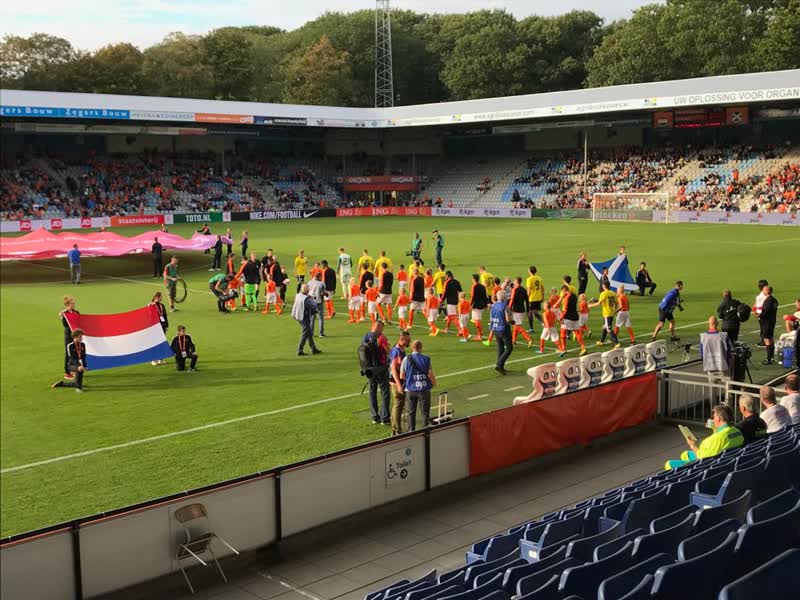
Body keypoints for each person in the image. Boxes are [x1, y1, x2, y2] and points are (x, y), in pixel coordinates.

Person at [664, 405, 743, 470]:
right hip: (725, 461)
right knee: (685, 454)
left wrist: (692, 445)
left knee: (669, 464)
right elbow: (723, 438)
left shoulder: (713, 440)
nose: (713, 419)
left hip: (708, 466)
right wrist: (715, 429)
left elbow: (701, 457)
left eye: (714, 417)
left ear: (718, 419)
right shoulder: (737, 432)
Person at [400, 339, 436, 430]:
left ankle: (411, 430)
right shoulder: (426, 358)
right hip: (424, 389)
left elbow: (401, 376)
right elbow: (430, 374)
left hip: (410, 389)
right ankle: (425, 430)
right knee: (425, 412)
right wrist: (433, 382)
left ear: (412, 348)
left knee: (411, 412)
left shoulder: (406, 359)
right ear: (421, 348)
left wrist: (411, 378)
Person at [364, 320, 391, 424]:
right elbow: (388, 351)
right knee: (385, 393)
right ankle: (385, 417)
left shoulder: (366, 337)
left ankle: (375, 416)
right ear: (380, 327)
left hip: (369, 370)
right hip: (381, 368)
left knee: (372, 392)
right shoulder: (381, 337)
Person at [389, 331, 411, 435]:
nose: (409, 342)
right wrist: (398, 385)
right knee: (398, 405)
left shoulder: (399, 349)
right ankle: (397, 429)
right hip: (397, 382)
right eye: (408, 340)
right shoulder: (397, 351)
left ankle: (395, 428)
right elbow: (393, 369)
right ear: (402, 339)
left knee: (397, 404)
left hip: (396, 381)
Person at [292, 283, 321, 356]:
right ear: (308, 291)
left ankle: (313, 348)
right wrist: (313, 300)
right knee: (305, 333)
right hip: (304, 317)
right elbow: (314, 306)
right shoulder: (307, 299)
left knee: (308, 332)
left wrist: (293, 314)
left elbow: (295, 305)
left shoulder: (298, 295)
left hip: (298, 316)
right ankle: (300, 350)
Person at [590, 282, 621, 348]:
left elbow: (599, 303)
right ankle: (602, 341)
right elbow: (617, 304)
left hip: (607, 313)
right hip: (611, 313)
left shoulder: (603, 293)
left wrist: (590, 306)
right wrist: (614, 310)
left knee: (609, 329)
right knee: (604, 327)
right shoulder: (613, 293)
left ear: (604, 286)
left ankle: (617, 343)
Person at [490, 290, 513, 374]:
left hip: (496, 329)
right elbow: (507, 319)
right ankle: (499, 364)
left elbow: (491, 318)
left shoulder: (493, 306)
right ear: (504, 297)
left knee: (500, 348)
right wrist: (511, 321)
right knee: (509, 348)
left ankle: (501, 367)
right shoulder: (505, 306)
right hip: (504, 329)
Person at [560, 284, 586, 356]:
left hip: (567, 318)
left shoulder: (566, 298)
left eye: (562, 292)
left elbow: (565, 310)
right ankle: (583, 348)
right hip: (575, 316)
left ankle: (563, 348)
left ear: (564, 290)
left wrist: (561, 318)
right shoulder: (574, 296)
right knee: (577, 333)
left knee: (563, 332)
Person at [59, 296, 80, 380]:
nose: (74, 304)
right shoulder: (65, 313)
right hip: (69, 335)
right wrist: (62, 317)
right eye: (72, 303)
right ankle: (67, 373)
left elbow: (80, 322)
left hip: (76, 335)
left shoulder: (76, 312)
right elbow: (65, 325)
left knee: (76, 352)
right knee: (68, 353)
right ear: (67, 304)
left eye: (73, 303)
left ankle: (74, 370)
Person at [510, 277, 533, 347]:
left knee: (517, 326)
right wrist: (528, 310)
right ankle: (513, 341)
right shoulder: (524, 290)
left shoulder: (514, 289)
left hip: (516, 310)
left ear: (516, 282)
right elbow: (527, 300)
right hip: (522, 310)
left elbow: (512, 299)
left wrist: (508, 307)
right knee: (515, 325)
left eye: (514, 281)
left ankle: (528, 339)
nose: (513, 282)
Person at [759, 286, 779, 365]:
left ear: (767, 291)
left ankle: (769, 359)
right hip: (772, 322)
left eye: (764, 290)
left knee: (767, 340)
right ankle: (772, 357)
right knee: (770, 339)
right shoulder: (775, 300)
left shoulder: (768, 301)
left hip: (767, 323)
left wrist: (759, 315)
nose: (763, 291)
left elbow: (765, 312)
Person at [150, 292, 168, 366]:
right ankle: (153, 360)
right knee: (155, 343)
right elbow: (149, 316)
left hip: (162, 326)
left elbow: (165, 316)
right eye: (159, 297)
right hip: (155, 327)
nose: (160, 298)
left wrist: (166, 326)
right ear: (155, 297)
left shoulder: (162, 305)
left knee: (161, 343)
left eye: (161, 297)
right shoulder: (151, 305)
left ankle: (161, 359)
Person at [307, 271, 328, 336]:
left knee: (312, 318)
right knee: (321, 318)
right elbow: (322, 293)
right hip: (319, 302)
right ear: (319, 277)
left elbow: (307, 291)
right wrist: (326, 294)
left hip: (311, 302)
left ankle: (311, 333)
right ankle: (321, 333)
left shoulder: (309, 282)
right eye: (321, 277)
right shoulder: (321, 284)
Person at [470, 274, 488, 341]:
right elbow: (485, 296)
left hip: (476, 306)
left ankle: (480, 336)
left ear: (474, 279)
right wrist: (485, 305)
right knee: (478, 320)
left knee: (477, 321)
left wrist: (470, 304)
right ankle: (480, 332)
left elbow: (472, 296)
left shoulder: (474, 286)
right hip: (482, 305)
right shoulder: (482, 286)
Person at [526, 266, 544, 330]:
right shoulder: (539, 278)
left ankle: (531, 329)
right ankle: (544, 323)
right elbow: (542, 288)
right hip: (538, 298)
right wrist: (542, 297)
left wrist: (526, 298)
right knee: (536, 313)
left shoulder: (529, 279)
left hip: (532, 299)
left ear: (530, 271)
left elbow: (529, 290)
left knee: (530, 313)